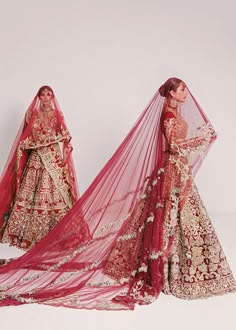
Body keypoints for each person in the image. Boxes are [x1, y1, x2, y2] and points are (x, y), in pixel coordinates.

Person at [0, 79, 235, 310]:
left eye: (185, 89)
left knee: (178, 216)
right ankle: (174, 269)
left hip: (177, 170)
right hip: (173, 169)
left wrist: (197, 141)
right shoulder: (169, 116)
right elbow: (173, 146)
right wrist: (199, 140)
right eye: (182, 89)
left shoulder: (174, 112)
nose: (186, 93)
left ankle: (185, 266)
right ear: (172, 93)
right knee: (171, 216)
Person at [0, 86, 79, 250]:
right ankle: (27, 232)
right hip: (36, 157)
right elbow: (26, 137)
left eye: (48, 94)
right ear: (38, 97)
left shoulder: (58, 115)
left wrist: (51, 140)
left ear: (52, 97)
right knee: (33, 189)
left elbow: (65, 134)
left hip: (51, 156)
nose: (45, 97)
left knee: (56, 191)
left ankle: (57, 231)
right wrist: (30, 144)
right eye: (42, 94)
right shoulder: (31, 115)